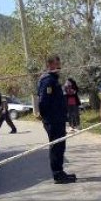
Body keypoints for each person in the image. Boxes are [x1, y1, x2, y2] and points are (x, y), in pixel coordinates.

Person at [38, 55, 76, 184]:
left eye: (59, 64)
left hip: (58, 119)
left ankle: (60, 171)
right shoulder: (47, 80)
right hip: (53, 120)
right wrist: (47, 118)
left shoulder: (53, 79)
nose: (59, 66)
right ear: (49, 65)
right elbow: (43, 102)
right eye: (56, 64)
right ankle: (57, 174)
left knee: (60, 146)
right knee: (56, 147)